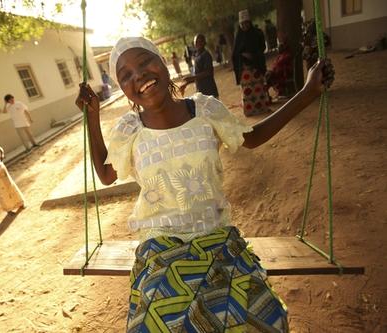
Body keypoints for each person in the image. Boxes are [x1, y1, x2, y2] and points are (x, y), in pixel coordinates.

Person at [76, 36, 333, 332]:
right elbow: (107, 175)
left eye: (145, 62)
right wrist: (92, 117)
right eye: (126, 75)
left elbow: (253, 136)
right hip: (160, 245)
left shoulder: (205, 110)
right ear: (123, 89)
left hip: (216, 236)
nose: (139, 75)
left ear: (162, 62)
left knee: (266, 319)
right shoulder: (129, 129)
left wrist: (307, 93)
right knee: (156, 324)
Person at [232, 9, 271, 117]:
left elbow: (262, 48)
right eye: (242, 24)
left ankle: (262, 108)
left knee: (259, 88)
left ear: (250, 22)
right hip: (244, 69)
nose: (244, 26)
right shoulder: (238, 37)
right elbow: (235, 54)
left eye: (246, 23)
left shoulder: (257, 33)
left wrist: (253, 55)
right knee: (247, 90)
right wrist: (242, 55)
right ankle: (250, 110)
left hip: (256, 66)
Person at [179, 34, 219, 98]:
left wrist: (191, 78)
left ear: (204, 42)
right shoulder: (197, 56)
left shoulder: (206, 55)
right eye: (196, 42)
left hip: (210, 92)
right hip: (202, 92)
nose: (198, 43)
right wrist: (187, 82)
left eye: (200, 41)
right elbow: (198, 75)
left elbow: (208, 72)